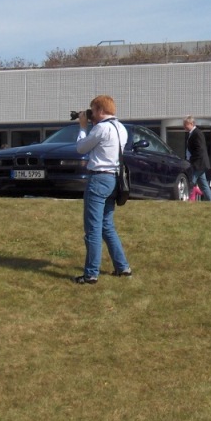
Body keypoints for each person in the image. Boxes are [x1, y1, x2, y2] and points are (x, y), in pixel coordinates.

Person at [73, 95, 131, 284]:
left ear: (99, 110)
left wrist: (83, 127)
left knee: (93, 228)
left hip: (98, 178)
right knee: (107, 225)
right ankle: (122, 267)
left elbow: (81, 148)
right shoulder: (121, 128)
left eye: (92, 110)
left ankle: (91, 274)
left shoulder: (101, 128)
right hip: (114, 179)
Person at [183, 116, 211, 201]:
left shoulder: (197, 133)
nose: (184, 126)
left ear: (191, 123)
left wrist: (192, 161)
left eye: (186, 124)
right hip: (199, 164)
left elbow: (200, 150)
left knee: (190, 182)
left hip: (198, 164)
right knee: (204, 185)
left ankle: (187, 200)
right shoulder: (192, 134)